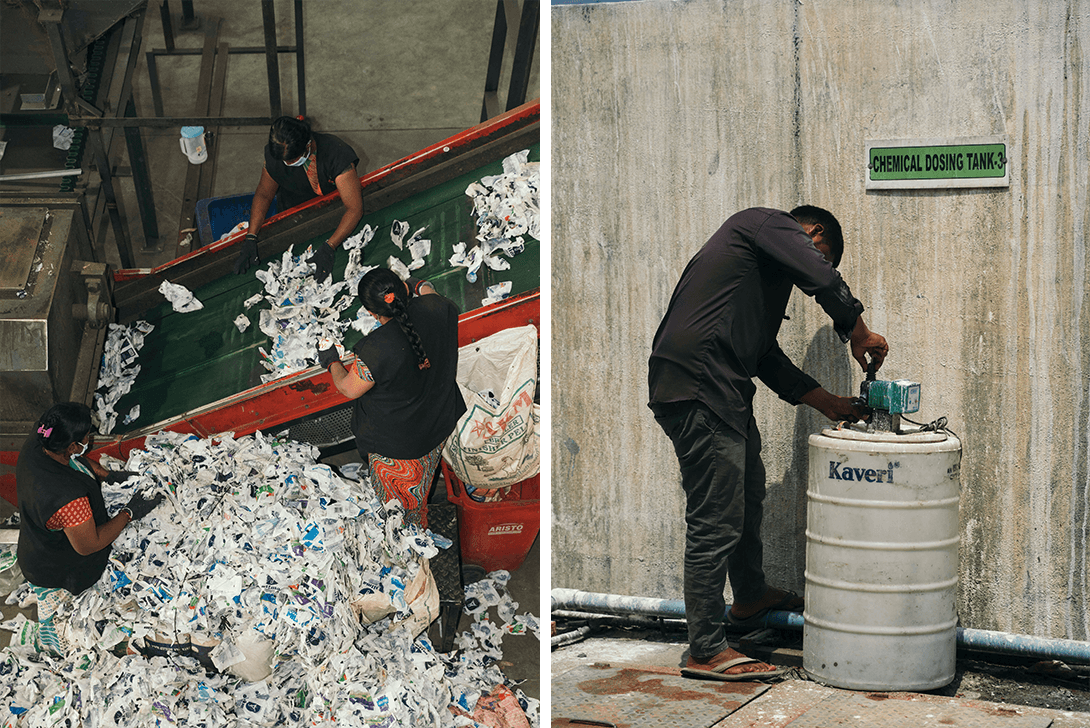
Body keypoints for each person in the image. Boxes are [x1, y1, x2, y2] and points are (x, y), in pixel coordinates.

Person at [647, 206, 889, 680]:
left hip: (722, 389)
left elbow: (763, 355)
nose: (816, 266)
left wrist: (829, 403)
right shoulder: (765, 223)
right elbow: (819, 276)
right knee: (714, 519)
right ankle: (706, 648)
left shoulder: (758, 275)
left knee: (746, 496)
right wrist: (858, 332)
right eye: (824, 255)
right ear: (813, 234)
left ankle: (751, 597)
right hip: (699, 385)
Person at [317, 269, 466, 529]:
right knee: (424, 478)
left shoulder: (376, 349)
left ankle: (413, 539)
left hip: (401, 452)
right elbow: (429, 290)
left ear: (371, 313)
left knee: (403, 510)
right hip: (439, 422)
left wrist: (331, 361)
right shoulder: (438, 307)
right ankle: (417, 508)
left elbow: (349, 388)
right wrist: (417, 284)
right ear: (404, 291)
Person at [16, 402, 163, 654]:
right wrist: (129, 512)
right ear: (72, 444)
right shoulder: (66, 497)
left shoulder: (41, 441)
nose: (89, 440)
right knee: (72, 622)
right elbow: (89, 545)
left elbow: (75, 459)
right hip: (56, 569)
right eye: (86, 437)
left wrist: (105, 474)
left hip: (35, 543)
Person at [234, 116, 364, 281]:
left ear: (307, 145)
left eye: (293, 160)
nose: (287, 164)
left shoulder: (336, 155)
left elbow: (354, 209)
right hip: (293, 213)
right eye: (285, 161)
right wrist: (251, 236)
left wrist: (329, 246)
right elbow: (264, 194)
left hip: (334, 216)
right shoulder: (276, 155)